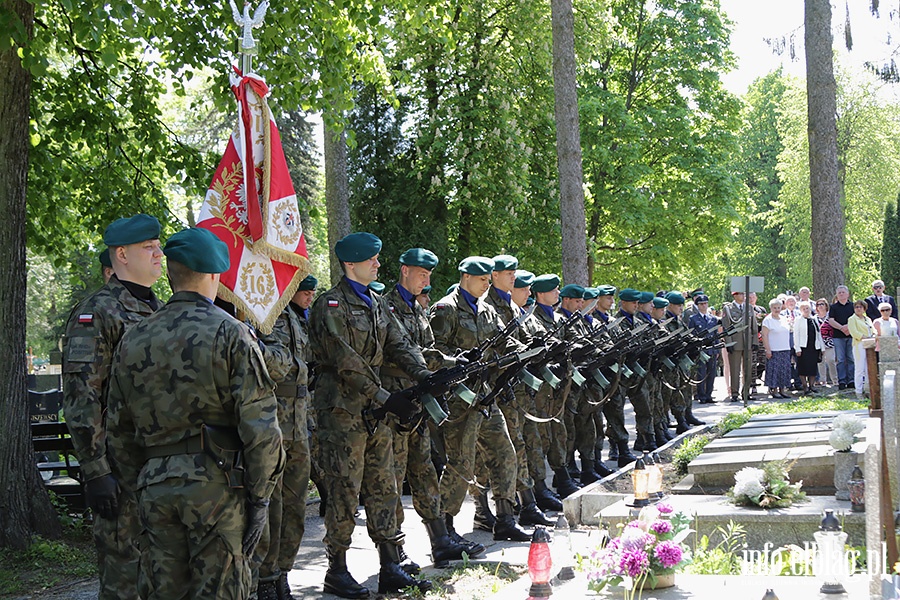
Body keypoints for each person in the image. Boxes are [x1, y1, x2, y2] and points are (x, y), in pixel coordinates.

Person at [105, 227, 285, 599]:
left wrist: (139, 485)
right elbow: (261, 427)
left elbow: (118, 432)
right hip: (217, 489)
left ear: (171, 274)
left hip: (155, 487)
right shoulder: (231, 334)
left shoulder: (133, 339)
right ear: (216, 276)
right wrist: (261, 496)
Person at [309, 232, 434, 598]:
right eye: (371, 260)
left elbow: (399, 345)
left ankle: (390, 564)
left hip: (376, 412)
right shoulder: (329, 306)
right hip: (342, 412)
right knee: (344, 490)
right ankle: (337, 568)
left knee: (384, 486)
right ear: (351, 264)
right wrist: (383, 395)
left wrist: (426, 375)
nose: (378, 264)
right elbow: (345, 359)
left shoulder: (378, 303)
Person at [62, 214, 163, 599]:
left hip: (164, 467)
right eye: (148, 248)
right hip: (120, 470)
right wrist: (94, 470)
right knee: (124, 579)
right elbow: (81, 395)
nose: (159, 254)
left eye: (158, 246)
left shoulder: (163, 309)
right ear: (121, 254)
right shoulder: (98, 313)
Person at [381, 248, 476, 570]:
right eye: (422, 273)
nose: (426, 279)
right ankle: (394, 552)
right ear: (405, 271)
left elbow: (428, 348)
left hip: (419, 402)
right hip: (396, 401)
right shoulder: (387, 307)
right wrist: (449, 363)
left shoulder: (416, 309)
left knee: (424, 473)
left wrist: (451, 366)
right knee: (392, 478)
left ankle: (440, 541)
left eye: (429, 275)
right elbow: (409, 352)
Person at [429, 257, 532, 543]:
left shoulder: (487, 310)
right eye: (482, 279)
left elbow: (502, 341)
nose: (487, 284)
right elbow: (431, 351)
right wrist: (457, 361)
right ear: (465, 277)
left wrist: (527, 350)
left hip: (486, 395)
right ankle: (445, 527)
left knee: (504, 453)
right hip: (458, 398)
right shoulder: (445, 309)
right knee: (460, 462)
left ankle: (505, 519)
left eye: (489, 279)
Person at [253, 274, 318, 600]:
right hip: (272, 423)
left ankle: (283, 573)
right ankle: (266, 578)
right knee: (272, 506)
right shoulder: (265, 314)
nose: (309, 295)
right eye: (304, 290)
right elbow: (270, 366)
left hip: (298, 425)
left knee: (295, 506)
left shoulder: (302, 320)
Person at [722, 291, 759, 402]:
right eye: (741, 294)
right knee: (735, 369)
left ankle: (746, 392)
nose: (744, 296)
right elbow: (726, 327)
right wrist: (729, 343)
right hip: (735, 342)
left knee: (747, 368)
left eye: (744, 294)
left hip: (747, 343)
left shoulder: (749, 308)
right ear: (735, 295)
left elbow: (754, 327)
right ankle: (734, 393)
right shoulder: (728, 309)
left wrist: (755, 342)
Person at [687, 295, 718, 404]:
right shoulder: (693, 319)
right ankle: (701, 395)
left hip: (712, 350)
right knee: (701, 373)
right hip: (701, 350)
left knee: (712, 373)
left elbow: (716, 335)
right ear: (697, 305)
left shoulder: (713, 319)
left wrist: (717, 349)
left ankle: (709, 394)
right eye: (701, 304)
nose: (704, 306)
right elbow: (691, 335)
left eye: (705, 303)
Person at [762, 298, 792, 398]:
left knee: (784, 370)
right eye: (775, 308)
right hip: (774, 349)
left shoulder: (784, 318)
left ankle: (782, 390)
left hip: (785, 348)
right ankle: (774, 390)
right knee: (774, 370)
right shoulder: (767, 320)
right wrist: (768, 349)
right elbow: (764, 335)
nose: (777, 310)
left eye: (779, 307)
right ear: (771, 308)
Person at [793, 301, 823, 394]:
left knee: (813, 367)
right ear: (801, 310)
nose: (806, 310)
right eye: (804, 309)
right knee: (803, 367)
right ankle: (805, 386)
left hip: (814, 347)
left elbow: (818, 334)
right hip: (803, 347)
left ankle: (812, 385)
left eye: (807, 308)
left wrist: (822, 348)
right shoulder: (798, 320)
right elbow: (796, 335)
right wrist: (797, 348)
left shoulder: (814, 319)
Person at [829, 285, 855, 390]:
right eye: (839, 293)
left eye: (843, 292)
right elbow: (831, 320)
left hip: (851, 335)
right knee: (840, 359)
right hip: (838, 336)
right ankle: (842, 381)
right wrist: (842, 328)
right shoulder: (833, 307)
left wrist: (848, 327)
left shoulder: (853, 306)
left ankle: (851, 380)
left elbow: (857, 318)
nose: (841, 294)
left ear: (848, 294)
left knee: (851, 358)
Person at [848, 300, 875, 397]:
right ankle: (858, 391)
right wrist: (865, 337)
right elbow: (854, 332)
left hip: (870, 344)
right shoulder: (852, 319)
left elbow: (873, 330)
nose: (858, 309)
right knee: (860, 368)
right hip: (859, 344)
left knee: (869, 368)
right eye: (856, 307)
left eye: (860, 307)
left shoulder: (867, 319)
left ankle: (868, 390)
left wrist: (873, 336)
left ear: (864, 309)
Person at [815, 298, 837, 386]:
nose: (820, 306)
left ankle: (835, 379)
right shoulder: (814, 318)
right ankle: (822, 380)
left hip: (829, 341)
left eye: (822, 304)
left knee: (831, 360)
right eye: (818, 305)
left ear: (826, 306)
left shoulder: (830, 316)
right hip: (818, 342)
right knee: (820, 362)